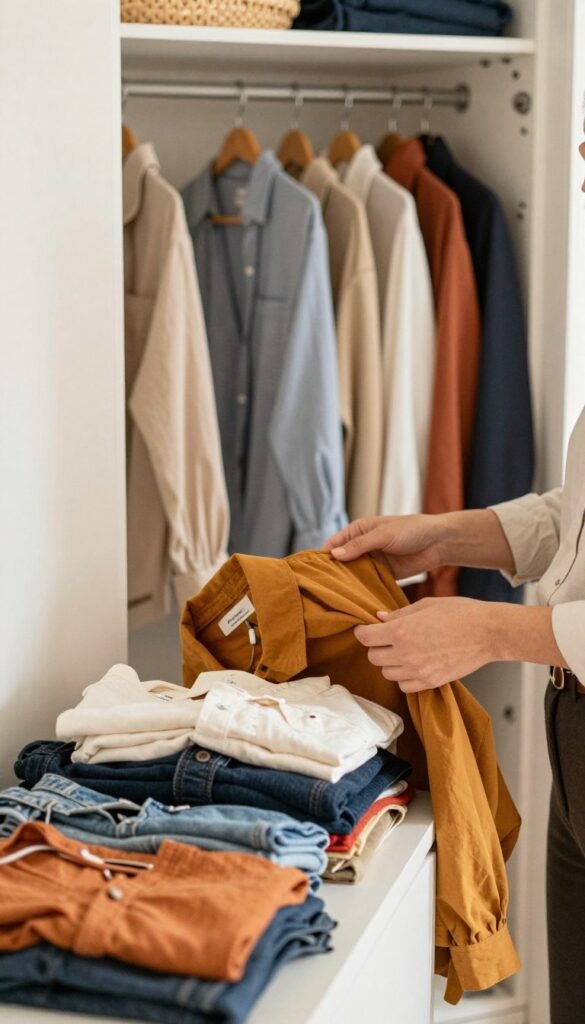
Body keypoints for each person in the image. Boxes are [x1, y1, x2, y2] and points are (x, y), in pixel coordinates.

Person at [323, 125, 585, 1024]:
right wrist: (441, 539)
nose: (579, 163)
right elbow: (574, 518)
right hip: (575, 734)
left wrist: (485, 630)